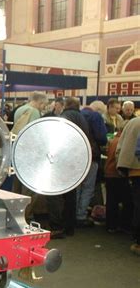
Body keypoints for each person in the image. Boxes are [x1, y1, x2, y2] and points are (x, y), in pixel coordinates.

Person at [12, 91, 48, 222]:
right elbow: (34, 134)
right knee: (30, 189)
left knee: (17, 187)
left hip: (17, 152)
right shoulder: (33, 112)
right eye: (44, 104)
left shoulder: (19, 109)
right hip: (29, 155)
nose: (44, 107)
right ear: (40, 102)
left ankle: (14, 215)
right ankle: (23, 218)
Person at [60, 97, 93, 235]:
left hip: (66, 157)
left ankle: (65, 225)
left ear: (66, 105)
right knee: (73, 192)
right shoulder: (81, 117)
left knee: (63, 192)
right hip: (78, 156)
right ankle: (71, 225)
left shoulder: (65, 116)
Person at [116, 117, 140, 255]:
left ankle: (137, 240)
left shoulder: (132, 123)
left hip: (134, 169)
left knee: (137, 204)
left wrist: (122, 166)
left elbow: (120, 147)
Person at [104, 122, 133, 233]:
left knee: (111, 201)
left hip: (109, 173)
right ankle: (124, 225)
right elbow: (118, 157)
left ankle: (110, 225)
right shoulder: (122, 141)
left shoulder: (112, 141)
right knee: (127, 201)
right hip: (118, 174)